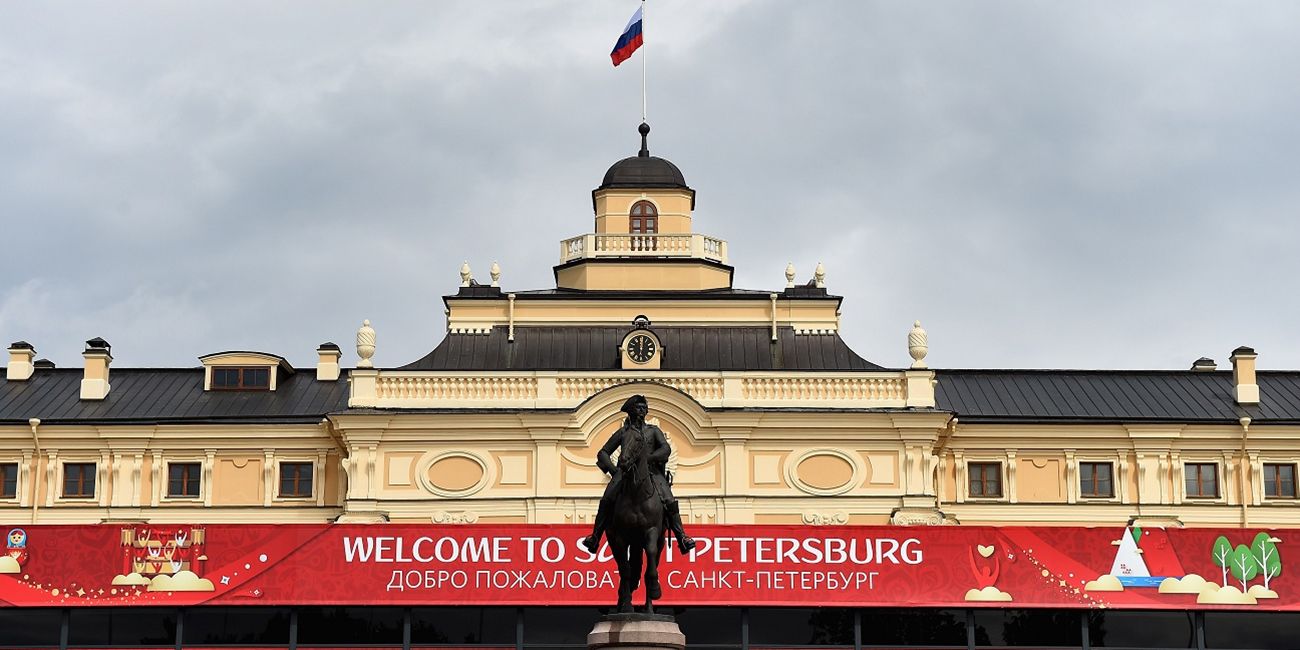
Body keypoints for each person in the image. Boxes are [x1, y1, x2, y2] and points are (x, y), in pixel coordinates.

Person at [582, 395, 696, 555]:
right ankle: (595, 537)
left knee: (669, 499)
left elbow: (665, 449)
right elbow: (603, 452)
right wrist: (614, 471)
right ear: (630, 411)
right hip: (624, 473)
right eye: (638, 407)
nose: (642, 410)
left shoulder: (653, 431)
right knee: (607, 499)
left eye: (644, 407)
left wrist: (649, 458)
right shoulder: (623, 433)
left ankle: (682, 537)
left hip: (652, 473)